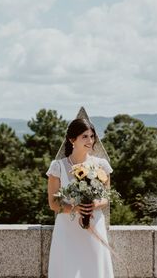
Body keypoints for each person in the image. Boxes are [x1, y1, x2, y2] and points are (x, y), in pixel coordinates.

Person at [46, 108, 114, 278]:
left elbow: (106, 197)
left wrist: (93, 205)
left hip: (94, 224)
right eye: (85, 136)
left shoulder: (102, 165)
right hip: (67, 230)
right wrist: (76, 208)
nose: (90, 140)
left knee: (95, 270)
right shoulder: (58, 166)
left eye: (92, 136)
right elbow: (53, 203)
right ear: (72, 139)